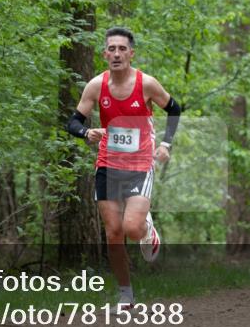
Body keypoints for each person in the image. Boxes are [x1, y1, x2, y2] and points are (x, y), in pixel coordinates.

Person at [65, 27, 181, 310]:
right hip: (107, 164)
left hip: (140, 163)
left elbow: (175, 109)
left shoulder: (147, 84)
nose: (116, 54)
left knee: (131, 228)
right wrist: (86, 133)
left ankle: (146, 229)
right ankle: (126, 295)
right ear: (105, 54)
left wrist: (165, 144)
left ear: (131, 53)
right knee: (114, 232)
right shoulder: (96, 86)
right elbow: (73, 122)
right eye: (111, 49)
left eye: (122, 49)